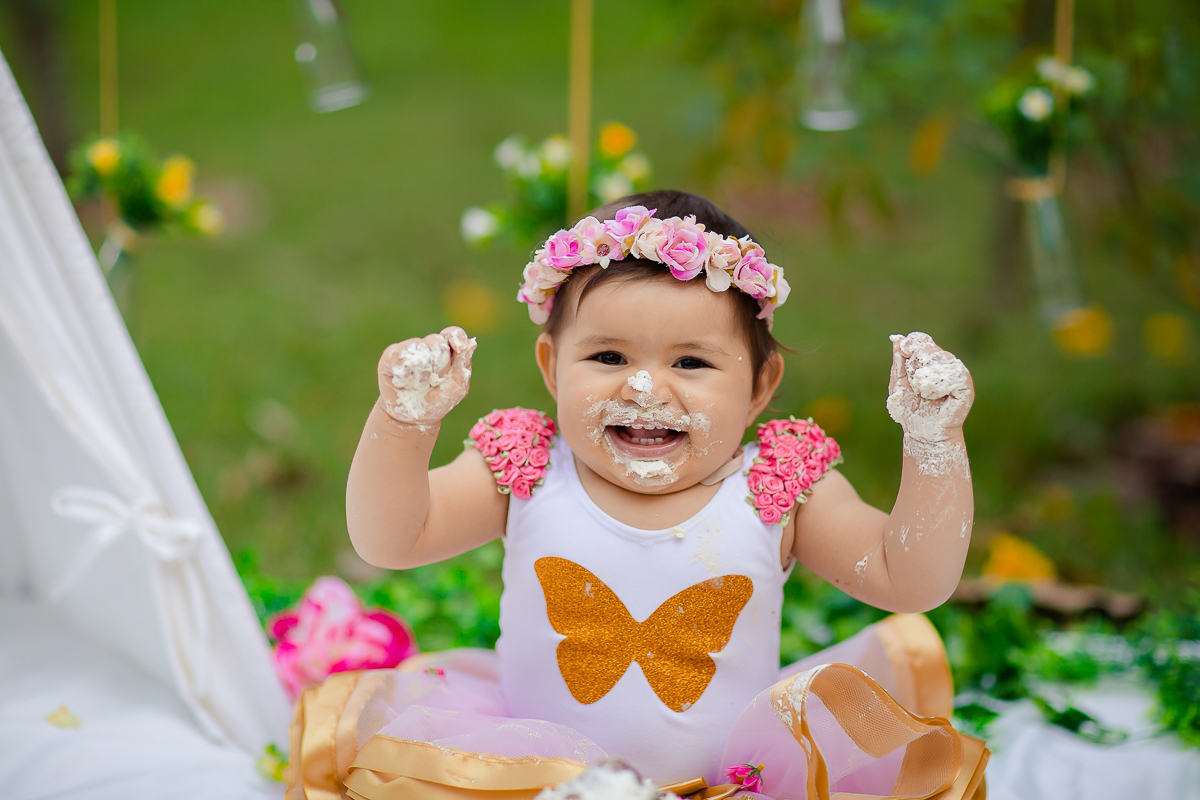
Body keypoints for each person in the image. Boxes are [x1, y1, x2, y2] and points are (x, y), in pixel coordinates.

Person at [286, 190, 989, 800]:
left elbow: (909, 579)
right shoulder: (526, 467)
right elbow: (391, 538)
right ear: (552, 366)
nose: (645, 387)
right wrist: (406, 421)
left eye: (690, 361)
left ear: (761, 387)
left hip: (732, 782)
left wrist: (933, 442)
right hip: (540, 779)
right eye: (609, 357)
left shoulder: (778, 487)